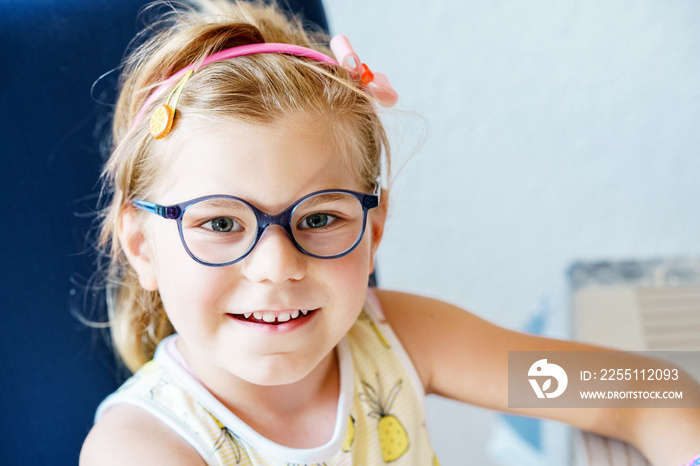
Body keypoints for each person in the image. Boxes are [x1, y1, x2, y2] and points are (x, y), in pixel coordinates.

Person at [80, 1, 700, 465]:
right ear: (142, 247)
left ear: (373, 231)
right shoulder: (142, 448)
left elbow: (646, 390)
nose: (276, 266)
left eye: (319, 218)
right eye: (219, 223)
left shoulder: (400, 339)